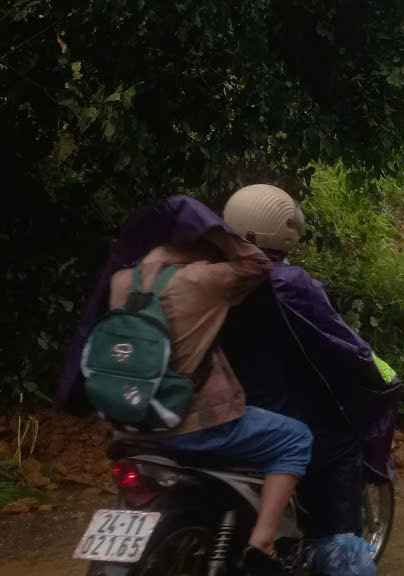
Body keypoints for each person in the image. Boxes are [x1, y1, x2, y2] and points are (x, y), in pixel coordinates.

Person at [104, 198, 312, 574]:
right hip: (190, 423)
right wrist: (221, 238)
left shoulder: (122, 281)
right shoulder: (202, 280)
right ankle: (262, 541)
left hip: (130, 423)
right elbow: (259, 265)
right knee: (295, 438)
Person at [219, 184, 395, 576]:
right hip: (275, 407)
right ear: (284, 232)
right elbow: (345, 342)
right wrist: (381, 373)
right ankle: (337, 544)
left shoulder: (211, 273)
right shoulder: (289, 282)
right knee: (341, 446)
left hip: (215, 403)